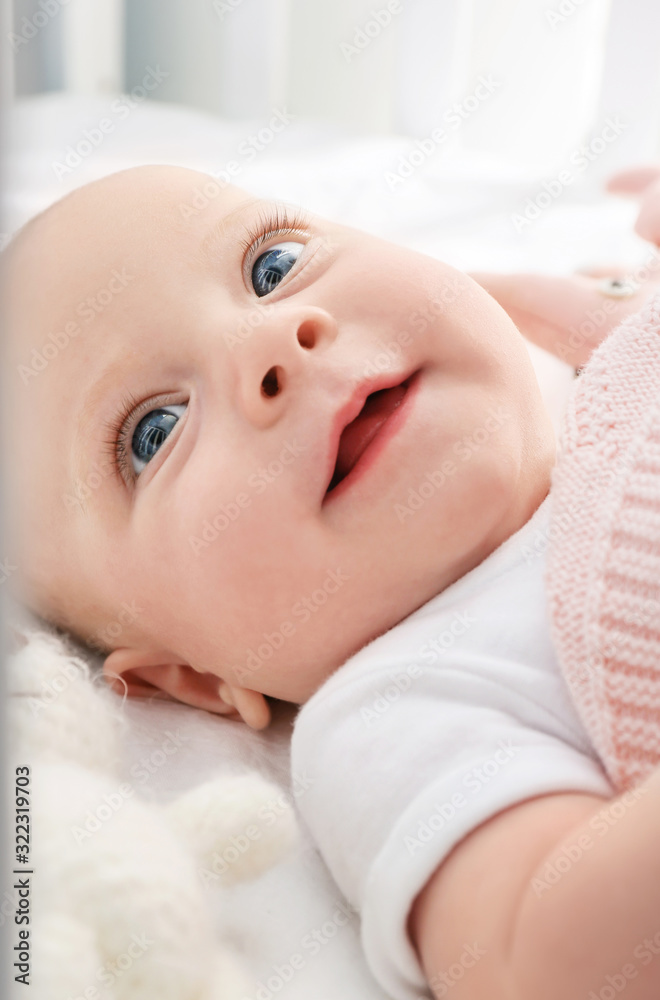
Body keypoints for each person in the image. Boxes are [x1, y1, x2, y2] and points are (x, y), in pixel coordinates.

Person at [3, 163, 660, 999]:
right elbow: (550, 958)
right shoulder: (399, 705)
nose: (276, 343)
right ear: (195, 677)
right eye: (153, 431)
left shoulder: (605, 365)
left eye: (271, 268)